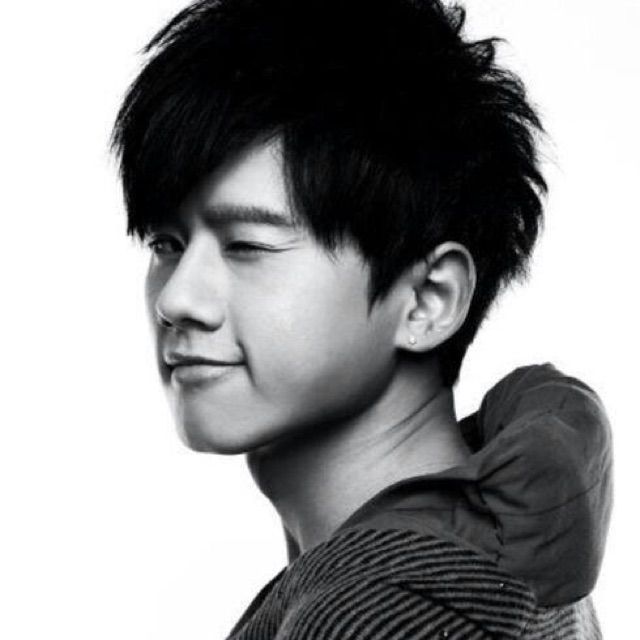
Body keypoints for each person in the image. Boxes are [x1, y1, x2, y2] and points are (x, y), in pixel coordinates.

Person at [111, 0, 613, 637]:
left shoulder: (387, 609)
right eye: (166, 244)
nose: (176, 299)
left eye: (247, 246)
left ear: (428, 299)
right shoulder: (474, 555)